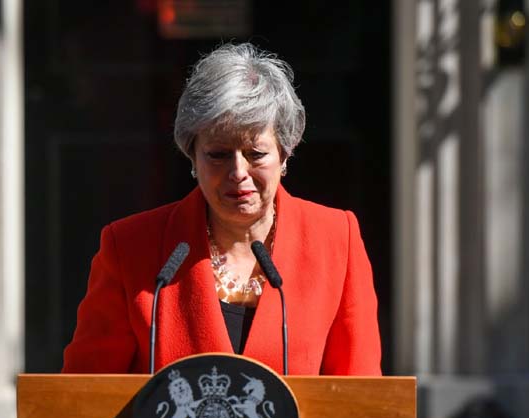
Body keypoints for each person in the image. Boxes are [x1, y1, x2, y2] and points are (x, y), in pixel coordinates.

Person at [62, 43, 381, 375]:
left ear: (284, 154)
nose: (238, 172)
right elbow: (83, 396)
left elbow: (361, 396)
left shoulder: (336, 239)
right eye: (218, 154)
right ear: (193, 157)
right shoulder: (130, 247)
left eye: (255, 153)